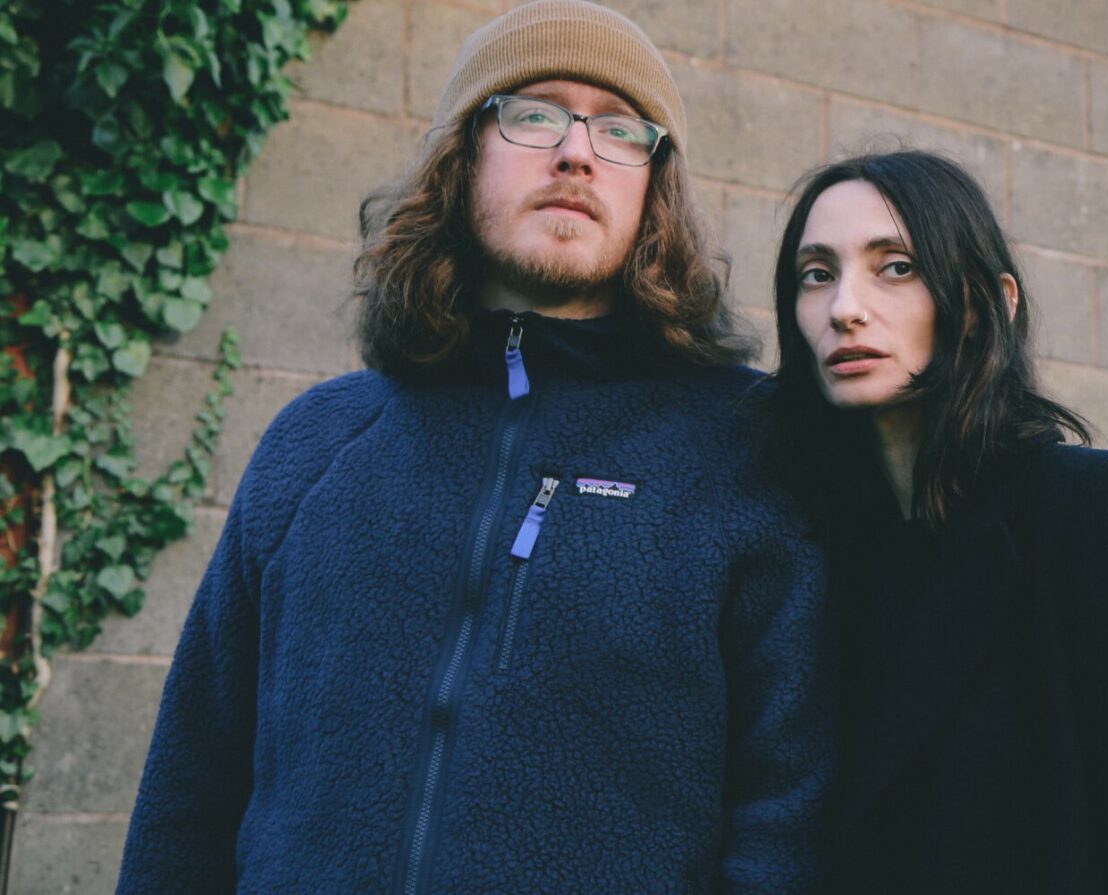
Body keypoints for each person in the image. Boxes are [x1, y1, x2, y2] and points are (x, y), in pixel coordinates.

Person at [117, 2, 831, 892]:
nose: (577, 151)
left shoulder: (745, 451)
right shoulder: (317, 443)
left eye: (620, 130)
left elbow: (787, 817)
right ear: (461, 157)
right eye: (534, 113)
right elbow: (190, 791)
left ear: (656, 186)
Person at [764, 151, 1108, 893]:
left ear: (988, 302)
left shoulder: (1095, 513)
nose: (844, 306)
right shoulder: (812, 546)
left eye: (897, 267)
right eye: (817, 274)